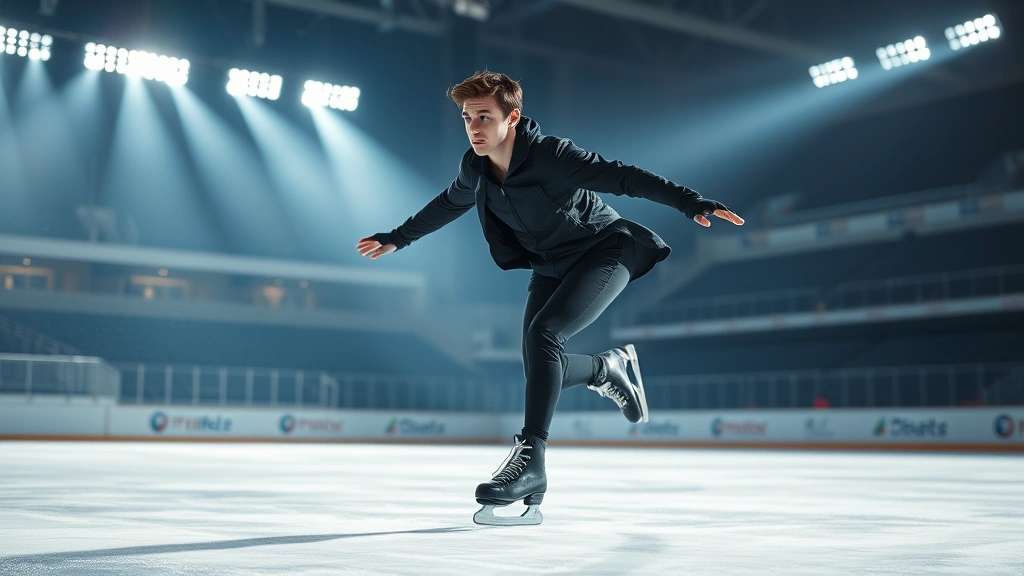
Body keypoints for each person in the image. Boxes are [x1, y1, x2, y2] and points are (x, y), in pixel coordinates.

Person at [357, 72, 744, 525]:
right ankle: (606, 367)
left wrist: (689, 201)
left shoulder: (551, 155)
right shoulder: (475, 167)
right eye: (467, 118)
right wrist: (399, 238)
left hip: (604, 250)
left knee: (544, 334)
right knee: (538, 359)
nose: (474, 127)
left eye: (485, 116)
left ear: (512, 118)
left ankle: (530, 461)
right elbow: (449, 202)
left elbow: (623, 177)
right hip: (549, 264)